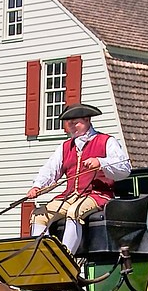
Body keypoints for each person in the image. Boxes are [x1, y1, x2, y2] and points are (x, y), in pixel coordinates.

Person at [26, 103, 131, 254]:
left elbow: (124, 169)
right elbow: (50, 170)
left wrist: (101, 163)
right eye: (69, 123)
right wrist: (37, 186)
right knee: (38, 215)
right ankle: (46, 256)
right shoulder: (65, 147)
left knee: (74, 211)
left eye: (75, 123)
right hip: (69, 196)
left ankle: (65, 257)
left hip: (97, 195)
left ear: (87, 120)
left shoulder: (106, 141)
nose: (71, 127)